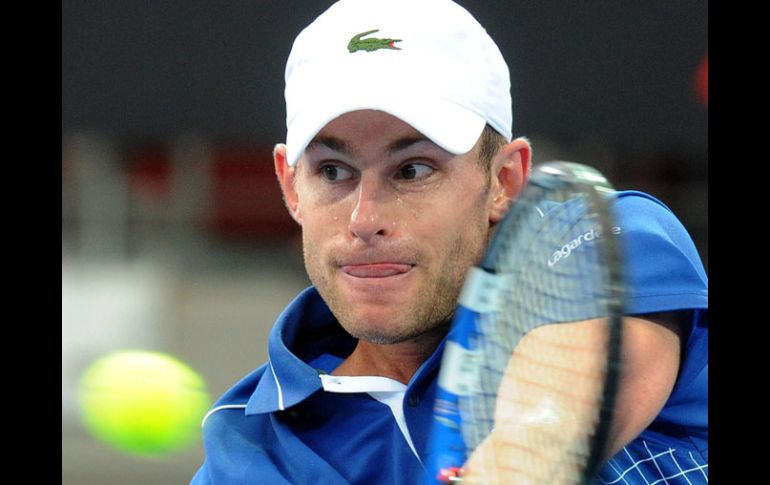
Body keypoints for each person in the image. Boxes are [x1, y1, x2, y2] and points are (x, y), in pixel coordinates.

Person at [191, 1, 708, 484]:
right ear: (290, 187)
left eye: (412, 170)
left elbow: (553, 426)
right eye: (333, 170)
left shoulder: (608, 238)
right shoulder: (246, 452)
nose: (365, 218)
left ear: (504, 181)